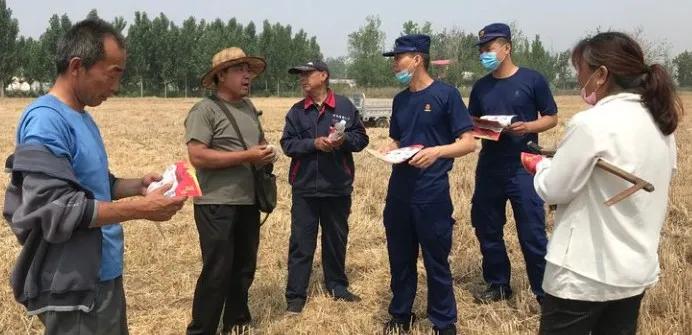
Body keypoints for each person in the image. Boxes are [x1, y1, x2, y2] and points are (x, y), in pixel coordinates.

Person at [4, 18, 187, 335]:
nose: (116, 87)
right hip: (75, 284)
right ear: (77, 66)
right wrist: (141, 210)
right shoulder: (46, 121)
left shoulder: (81, 117)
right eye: (112, 73)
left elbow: (94, 186)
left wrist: (137, 187)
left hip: (101, 272)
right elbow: (56, 207)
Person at [527, 31, 681, 335]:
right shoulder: (661, 122)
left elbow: (554, 188)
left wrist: (541, 165)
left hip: (583, 276)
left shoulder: (592, 122)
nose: (578, 79)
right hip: (633, 272)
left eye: (580, 71)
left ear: (601, 74)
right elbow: (668, 173)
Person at [379, 34, 476, 335]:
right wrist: (389, 146)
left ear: (417, 59)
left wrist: (436, 152)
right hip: (399, 192)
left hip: (431, 193)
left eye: (399, 58)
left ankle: (443, 321)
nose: (395, 64)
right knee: (399, 258)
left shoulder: (446, 95)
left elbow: (468, 143)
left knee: (436, 261)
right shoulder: (400, 99)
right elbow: (398, 136)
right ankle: (400, 314)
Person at [184, 47, 275, 334]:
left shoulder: (248, 108)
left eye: (248, 70)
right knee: (217, 272)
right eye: (239, 70)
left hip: (247, 201)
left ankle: (237, 323)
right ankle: (202, 329)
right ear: (221, 76)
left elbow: (256, 144)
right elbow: (197, 156)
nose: (247, 75)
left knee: (244, 268)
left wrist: (265, 153)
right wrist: (247, 156)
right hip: (216, 204)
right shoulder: (204, 110)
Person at [468, 23, 558, 304]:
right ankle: (498, 284)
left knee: (531, 231)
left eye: (489, 48)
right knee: (487, 226)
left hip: (524, 164)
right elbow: (471, 123)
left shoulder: (532, 80)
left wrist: (528, 125)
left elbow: (551, 116)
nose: (485, 53)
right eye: (482, 49)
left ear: (506, 48)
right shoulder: (481, 87)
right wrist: (485, 129)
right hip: (490, 164)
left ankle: (543, 292)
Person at [280, 60, 369, 313]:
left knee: (336, 240)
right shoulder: (297, 111)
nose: (303, 79)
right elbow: (287, 144)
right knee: (301, 243)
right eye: (301, 75)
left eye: (307, 74)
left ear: (323, 76)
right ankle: (295, 298)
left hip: (337, 187)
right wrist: (313, 144)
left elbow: (361, 138)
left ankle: (337, 286)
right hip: (305, 188)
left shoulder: (344, 106)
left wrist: (343, 140)